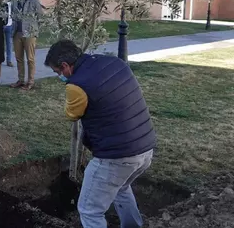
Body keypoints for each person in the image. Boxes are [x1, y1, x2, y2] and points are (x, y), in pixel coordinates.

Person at [44, 39, 156, 228]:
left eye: (58, 72)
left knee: (90, 210)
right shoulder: (116, 63)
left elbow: (72, 114)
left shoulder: (76, 86)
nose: (60, 77)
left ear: (65, 66)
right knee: (121, 187)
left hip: (115, 157)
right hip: (145, 149)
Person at [10, 0, 44, 90]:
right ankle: (21, 80)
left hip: (29, 33)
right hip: (17, 33)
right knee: (19, 58)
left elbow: (40, 16)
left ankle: (31, 81)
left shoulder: (33, 0)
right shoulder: (15, 0)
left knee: (30, 58)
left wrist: (34, 30)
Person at [3, 0, 14, 67]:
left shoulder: (12, 3)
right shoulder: (1, 3)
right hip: (1, 25)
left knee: (9, 44)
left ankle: (9, 60)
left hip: (10, 25)